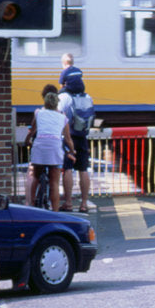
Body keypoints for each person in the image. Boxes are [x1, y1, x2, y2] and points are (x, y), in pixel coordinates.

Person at [25, 91, 75, 211]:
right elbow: (68, 140)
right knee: (54, 183)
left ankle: (32, 206)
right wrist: (72, 152)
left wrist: (27, 141)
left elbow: (32, 131)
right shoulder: (63, 118)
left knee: (36, 177)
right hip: (55, 149)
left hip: (39, 147)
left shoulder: (38, 113)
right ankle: (55, 212)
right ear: (57, 104)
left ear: (45, 103)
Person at [58, 76, 95, 212]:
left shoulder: (65, 97)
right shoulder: (87, 97)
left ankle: (68, 203)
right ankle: (84, 204)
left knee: (67, 169)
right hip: (83, 136)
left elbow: (57, 113)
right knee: (83, 170)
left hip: (69, 137)